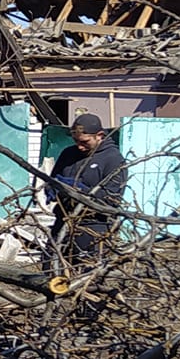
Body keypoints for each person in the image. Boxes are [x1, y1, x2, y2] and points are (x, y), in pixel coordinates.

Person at [49, 112, 129, 264]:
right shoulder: (68, 154)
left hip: (93, 228)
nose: (79, 146)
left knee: (86, 276)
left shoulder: (113, 159)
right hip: (63, 222)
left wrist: (80, 191)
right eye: (75, 141)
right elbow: (53, 179)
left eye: (84, 142)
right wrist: (52, 188)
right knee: (50, 271)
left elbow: (111, 199)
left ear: (99, 135)